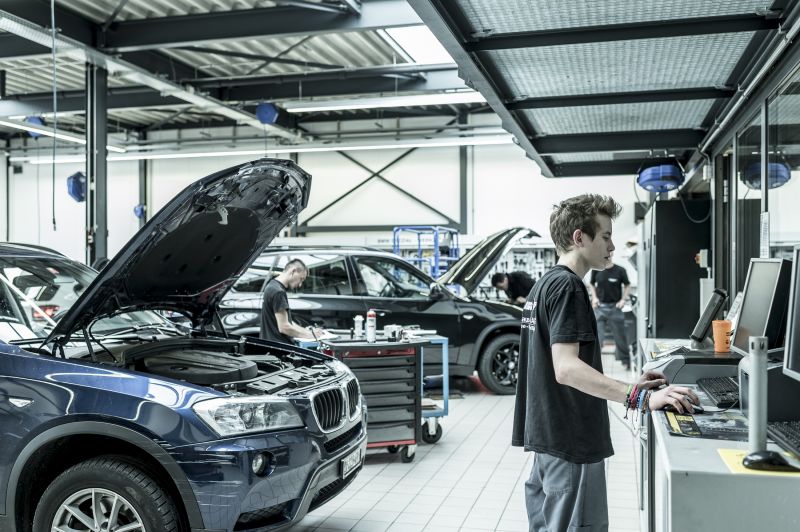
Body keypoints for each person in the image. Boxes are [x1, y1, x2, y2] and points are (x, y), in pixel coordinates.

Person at [512, 194, 699, 532]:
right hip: (570, 440)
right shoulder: (568, 287)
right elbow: (566, 368)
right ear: (579, 238)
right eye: (606, 236)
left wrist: (633, 385)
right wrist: (638, 398)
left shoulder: (545, 285)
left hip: (551, 435)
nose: (612, 245)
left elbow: (565, 366)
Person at [260, 259, 319, 343]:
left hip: (271, 344)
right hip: (279, 347)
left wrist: (309, 332)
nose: (300, 284)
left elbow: (288, 322)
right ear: (293, 271)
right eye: (301, 279)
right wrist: (308, 336)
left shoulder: (272, 285)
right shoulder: (278, 292)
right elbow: (284, 327)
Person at [588, 261, 632, 368]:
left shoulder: (620, 270)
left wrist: (623, 300)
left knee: (620, 337)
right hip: (600, 308)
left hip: (615, 308)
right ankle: (593, 364)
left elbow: (627, 285)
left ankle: (625, 361)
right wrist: (594, 298)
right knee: (598, 338)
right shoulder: (596, 269)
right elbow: (591, 283)